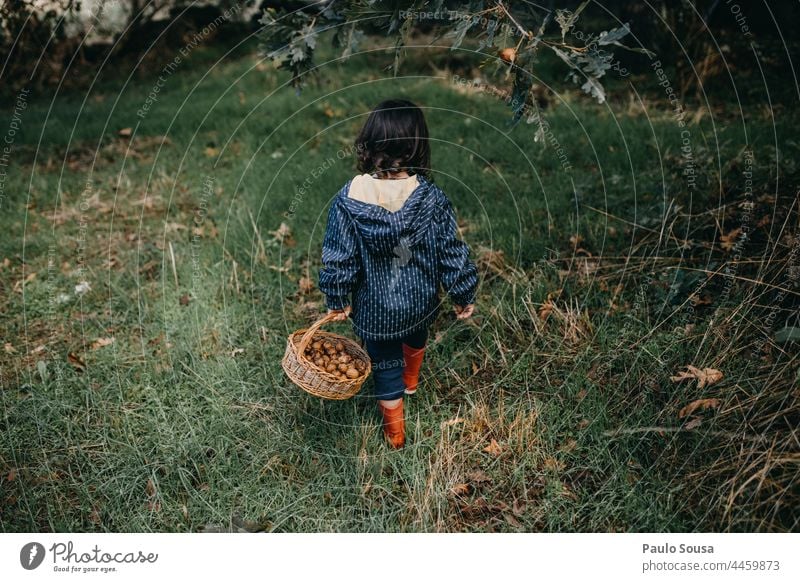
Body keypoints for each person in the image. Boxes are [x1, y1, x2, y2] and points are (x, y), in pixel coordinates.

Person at [319, 99, 478, 448]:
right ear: (417, 147)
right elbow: (451, 250)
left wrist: (337, 297)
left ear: (370, 142)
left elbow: (339, 256)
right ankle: (412, 378)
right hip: (420, 299)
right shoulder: (431, 198)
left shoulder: (349, 198)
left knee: (384, 363)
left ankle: (395, 433)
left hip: (375, 309)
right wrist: (463, 292)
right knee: (416, 333)